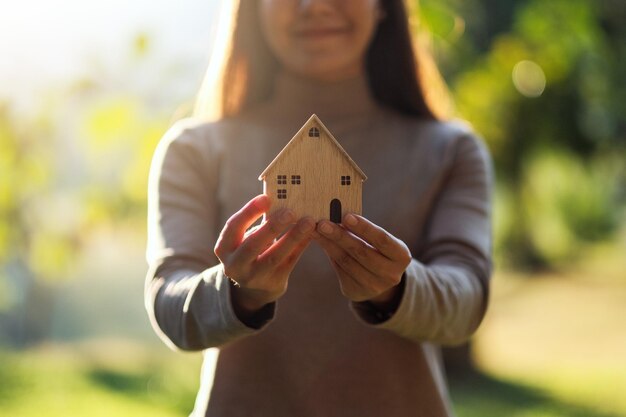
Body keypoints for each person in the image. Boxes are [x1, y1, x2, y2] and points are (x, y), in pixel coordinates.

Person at [145, 0, 493, 416]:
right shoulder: (194, 150)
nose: (314, 6)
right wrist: (236, 293)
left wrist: (395, 288)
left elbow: (467, 302)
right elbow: (170, 303)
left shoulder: (450, 151)